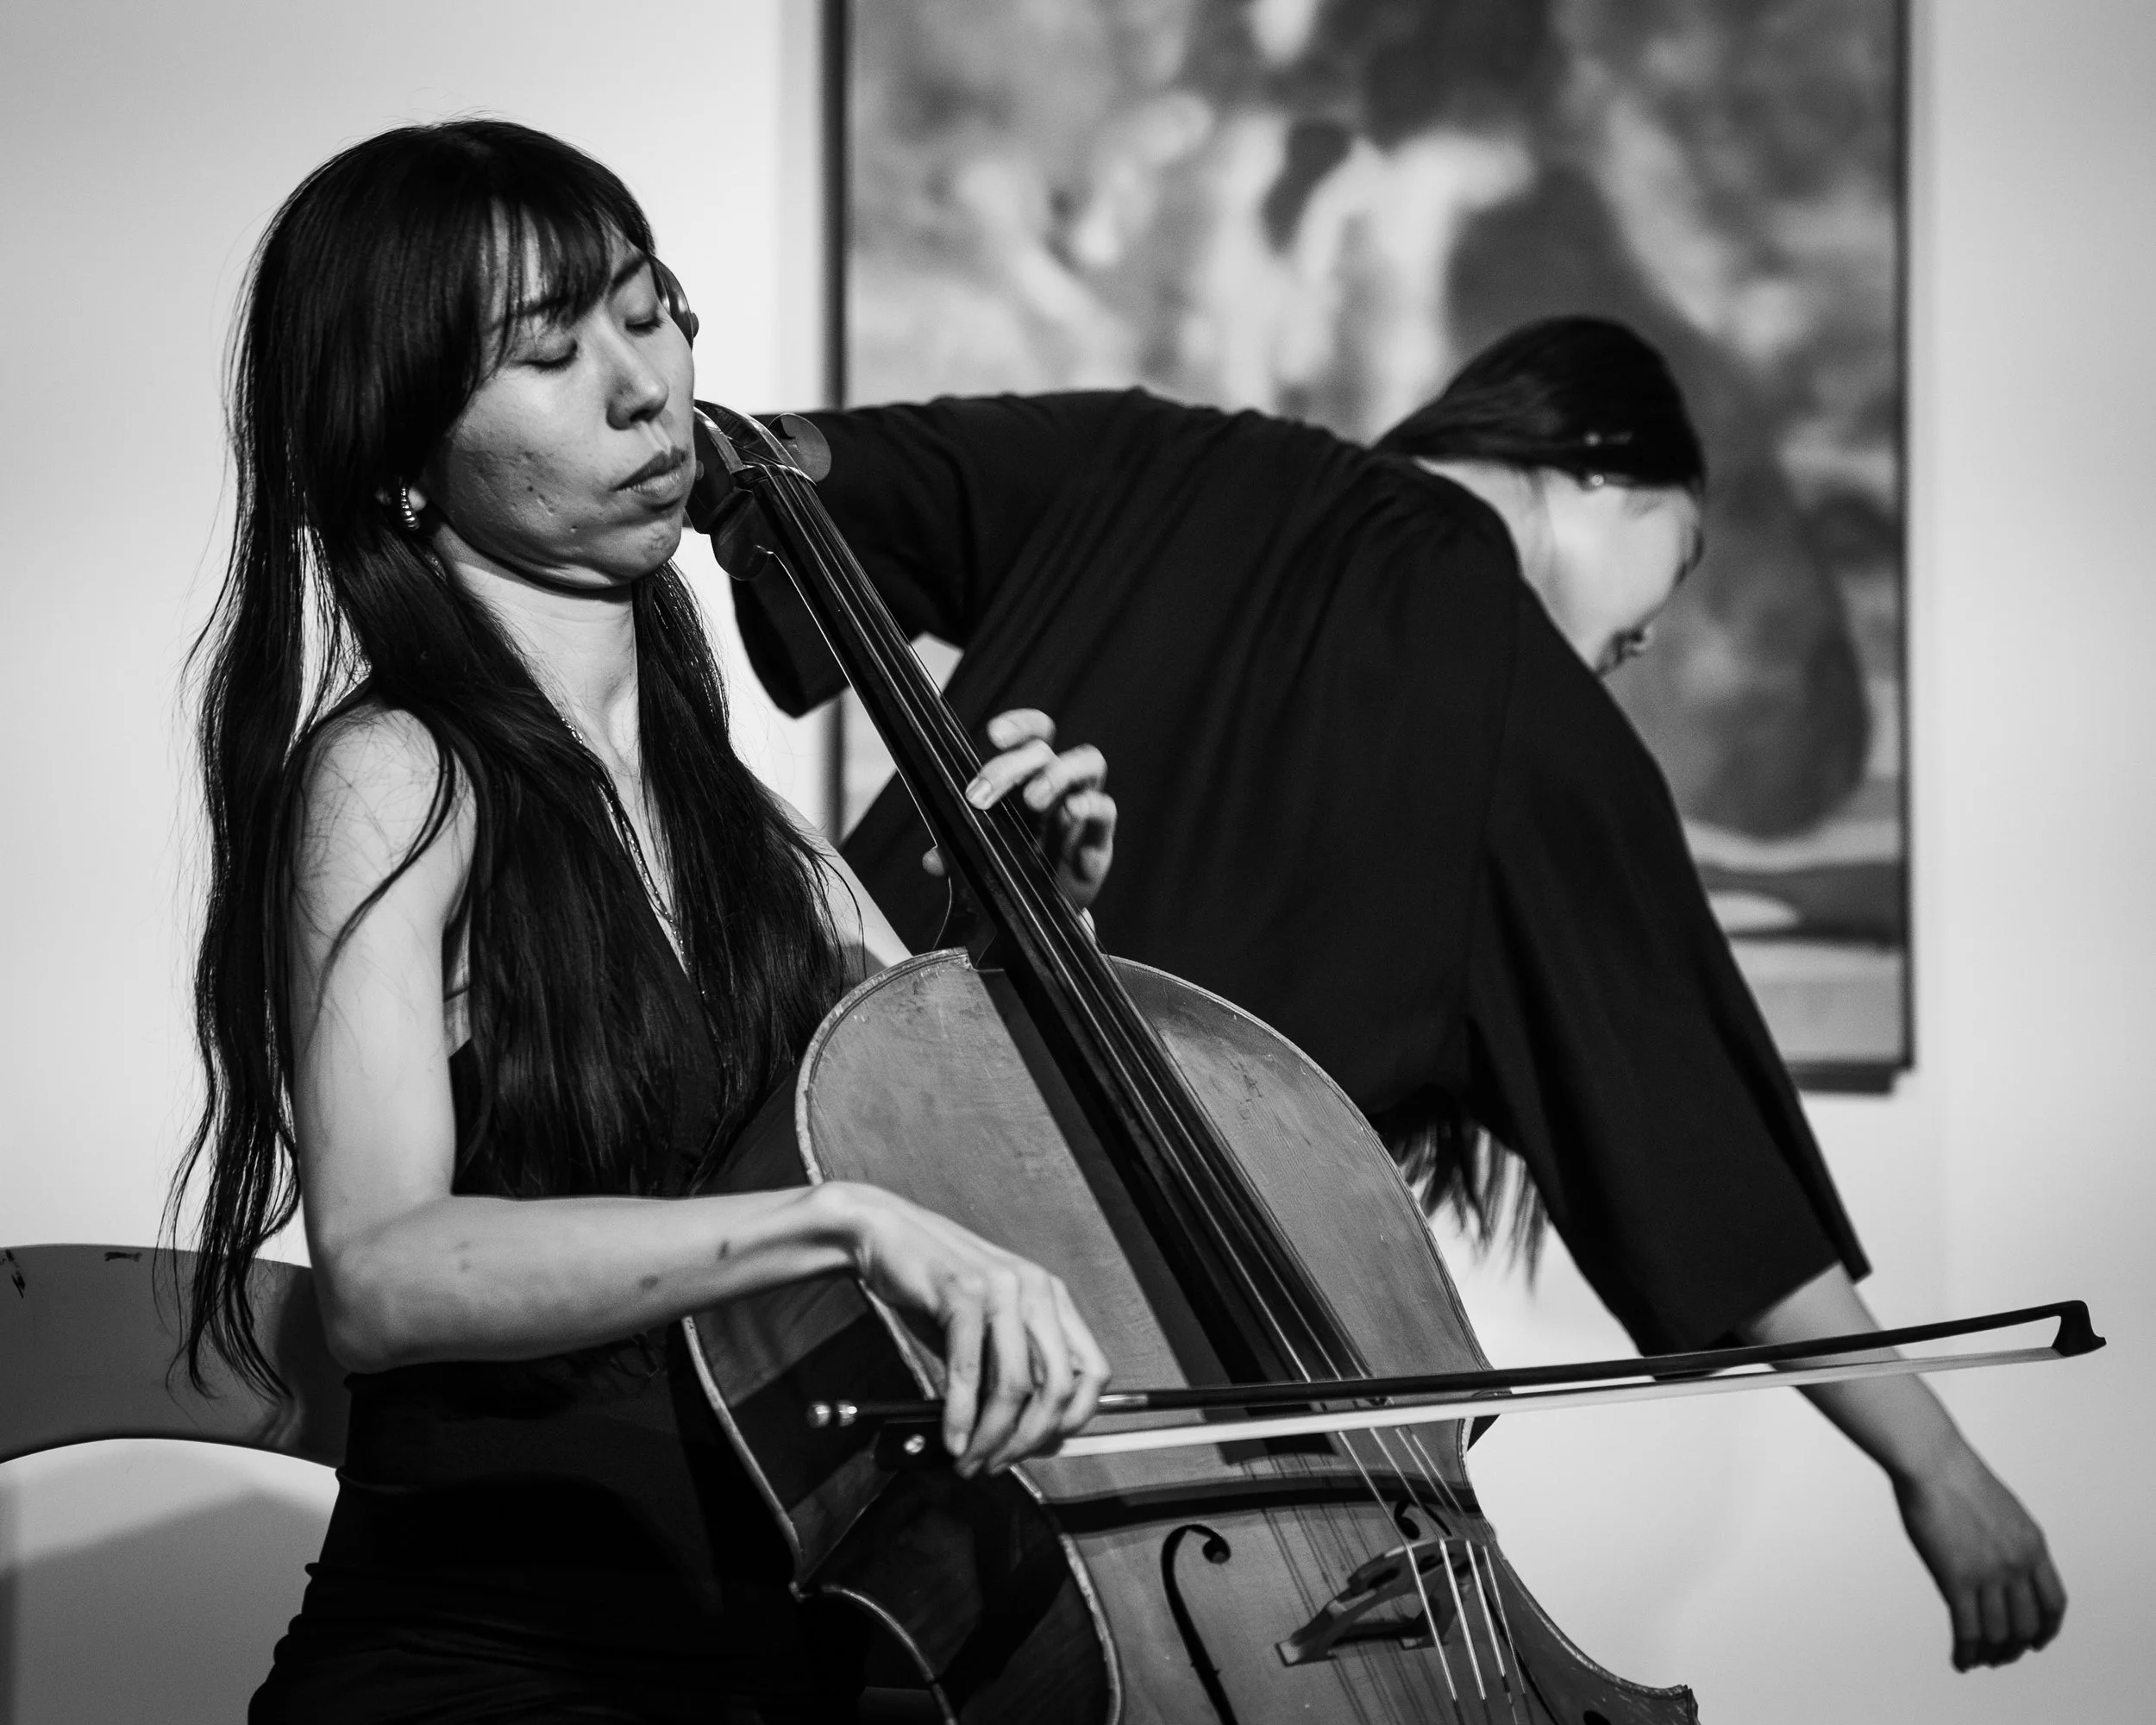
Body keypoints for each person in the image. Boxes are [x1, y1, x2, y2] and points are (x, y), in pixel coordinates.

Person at [730, 318, 2067, 1673]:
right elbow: (1706, 1160)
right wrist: (1937, 1467)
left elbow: (791, 473)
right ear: (1600, 468)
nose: (1649, 636)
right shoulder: (1529, 710)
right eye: (1683, 554)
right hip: (1096, 1416)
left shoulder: (1161, 453)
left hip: (797, 1196)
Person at [170, 119, 1121, 1723]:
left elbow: (972, 1160)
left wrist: (1042, 931)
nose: (643, 382)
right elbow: (387, 1276)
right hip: (504, 1672)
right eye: (549, 351)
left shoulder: (745, 825)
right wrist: (831, 1225)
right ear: (400, 454)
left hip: (791, 1653)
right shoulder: (394, 778)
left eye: (648, 307)